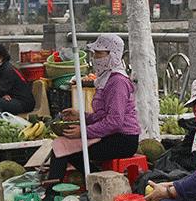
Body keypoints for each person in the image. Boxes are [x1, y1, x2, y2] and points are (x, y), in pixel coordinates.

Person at [46, 33, 139, 181]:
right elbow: (103, 116)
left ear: (113, 55)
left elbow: (115, 121)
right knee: (63, 147)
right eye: (95, 54)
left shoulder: (117, 82)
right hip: (111, 135)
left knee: (63, 148)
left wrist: (84, 132)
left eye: (99, 53)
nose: (95, 57)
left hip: (123, 140)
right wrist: (81, 116)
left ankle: (53, 193)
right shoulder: (106, 78)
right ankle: (98, 179)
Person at [0, 42, 35, 116]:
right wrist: (1, 95)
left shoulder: (8, 70)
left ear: (0, 58)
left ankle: (0, 121)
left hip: (23, 103)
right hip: (9, 97)